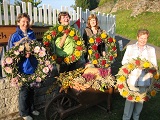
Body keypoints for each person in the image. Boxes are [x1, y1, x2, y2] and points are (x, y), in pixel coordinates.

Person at [8, 13, 39, 120]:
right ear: (18, 23)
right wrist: (23, 54)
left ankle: (32, 109)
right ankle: (24, 113)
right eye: (23, 21)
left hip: (32, 66)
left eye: (27, 21)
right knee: (24, 91)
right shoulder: (15, 36)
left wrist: (33, 53)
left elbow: (36, 48)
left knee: (32, 89)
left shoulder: (31, 33)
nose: (25, 24)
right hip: (22, 67)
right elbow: (10, 54)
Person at [122, 29, 157, 120]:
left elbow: (154, 65)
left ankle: (136, 117)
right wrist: (134, 64)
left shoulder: (151, 50)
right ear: (137, 37)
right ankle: (126, 118)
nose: (143, 40)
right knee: (130, 100)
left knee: (140, 100)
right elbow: (124, 62)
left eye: (145, 38)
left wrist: (147, 67)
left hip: (144, 79)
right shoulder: (130, 48)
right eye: (141, 38)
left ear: (147, 39)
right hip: (132, 79)